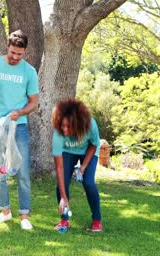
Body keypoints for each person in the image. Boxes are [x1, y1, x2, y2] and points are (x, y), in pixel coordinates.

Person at [0, 30, 39, 230]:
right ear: (8, 47)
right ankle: (5, 211)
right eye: (13, 52)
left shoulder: (29, 71)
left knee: (22, 172)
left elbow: (34, 102)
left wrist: (21, 112)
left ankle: (24, 216)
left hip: (19, 126)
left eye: (19, 54)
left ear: (24, 52)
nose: (15, 57)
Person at [51, 98, 103, 232]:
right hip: (68, 152)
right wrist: (63, 197)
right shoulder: (58, 133)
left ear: (78, 124)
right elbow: (59, 168)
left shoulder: (90, 125)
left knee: (89, 182)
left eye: (68, 126)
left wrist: (83, 167)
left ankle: (97, 221)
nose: (65, 129)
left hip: (88, 150)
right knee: (61, 184)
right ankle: (64, 220)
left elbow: (93, 145)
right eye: (62, 125)